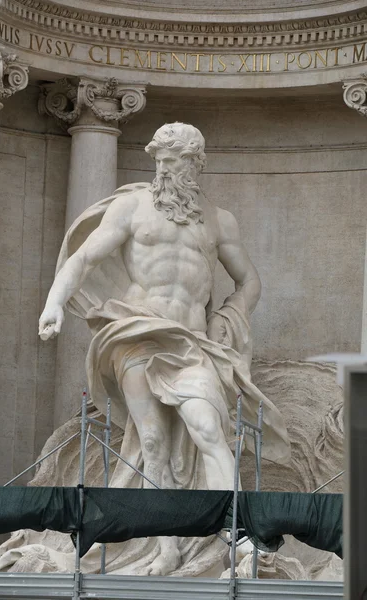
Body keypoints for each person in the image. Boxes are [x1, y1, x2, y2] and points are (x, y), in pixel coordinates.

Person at [39, 122, 290, 575]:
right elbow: (85, 258)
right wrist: (54, 302)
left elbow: (249, 280)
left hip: (192, 343)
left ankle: (238, 536)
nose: (164, 169)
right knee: (151, 441)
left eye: (173, 162)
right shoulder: (131, 207)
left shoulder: (218, 220)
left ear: (195, 164)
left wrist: (227, 314)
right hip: (137, 332)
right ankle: (166, 548)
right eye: (159, 161)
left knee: (209, 428)